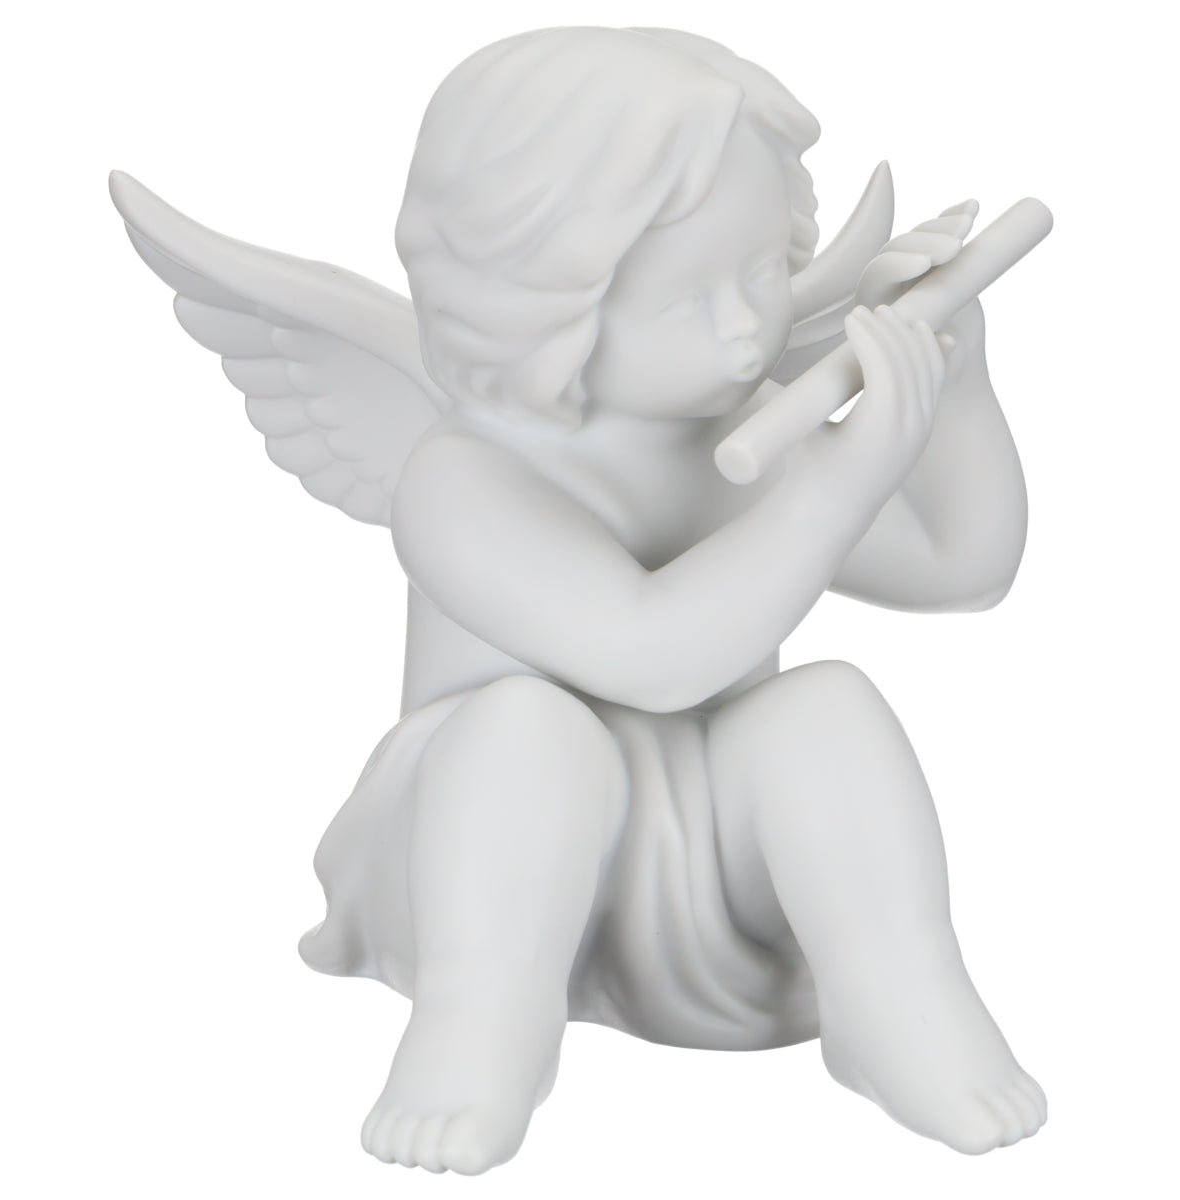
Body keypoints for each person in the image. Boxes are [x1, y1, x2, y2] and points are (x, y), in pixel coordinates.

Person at [289, 27, 1044, 1174]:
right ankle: (480, 1022)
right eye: (689, 298)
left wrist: (953, 380)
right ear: (537, 303)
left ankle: (898, 987)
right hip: (481, 850)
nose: (747, 328)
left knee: (826, 709)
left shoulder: (742, 429)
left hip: (695, 844)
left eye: (764, 273)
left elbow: (961, 566)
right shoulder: (464, 478)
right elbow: (653, 656)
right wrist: (837, 481)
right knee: (529, 730)